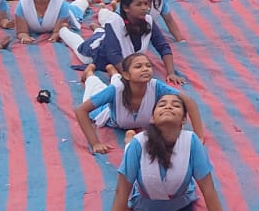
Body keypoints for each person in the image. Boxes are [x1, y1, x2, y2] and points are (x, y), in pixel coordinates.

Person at [96, 93, 238, 211]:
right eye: (162, 104)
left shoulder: (192, 142)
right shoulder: (139, 144)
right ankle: (128, 142)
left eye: (176, 105)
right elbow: (121, 192)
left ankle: (128, 142)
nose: (168, 106)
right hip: (142, 202)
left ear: (184, 120)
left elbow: (208, 189)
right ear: (152, 118)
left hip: (181, 200)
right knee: (133, 151)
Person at [76, 53, 205, 152]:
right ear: (127, 75)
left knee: (117, 83)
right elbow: (81, 110)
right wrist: (95, 144)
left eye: (148, 66)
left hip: (123, 83)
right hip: (107, 110)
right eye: (138, 66)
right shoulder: (116, 90)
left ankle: (113, 72)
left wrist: (199, 136)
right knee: (95, 86)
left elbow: (189, 102)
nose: (145, 69)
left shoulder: (156, 86)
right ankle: (90, 73)